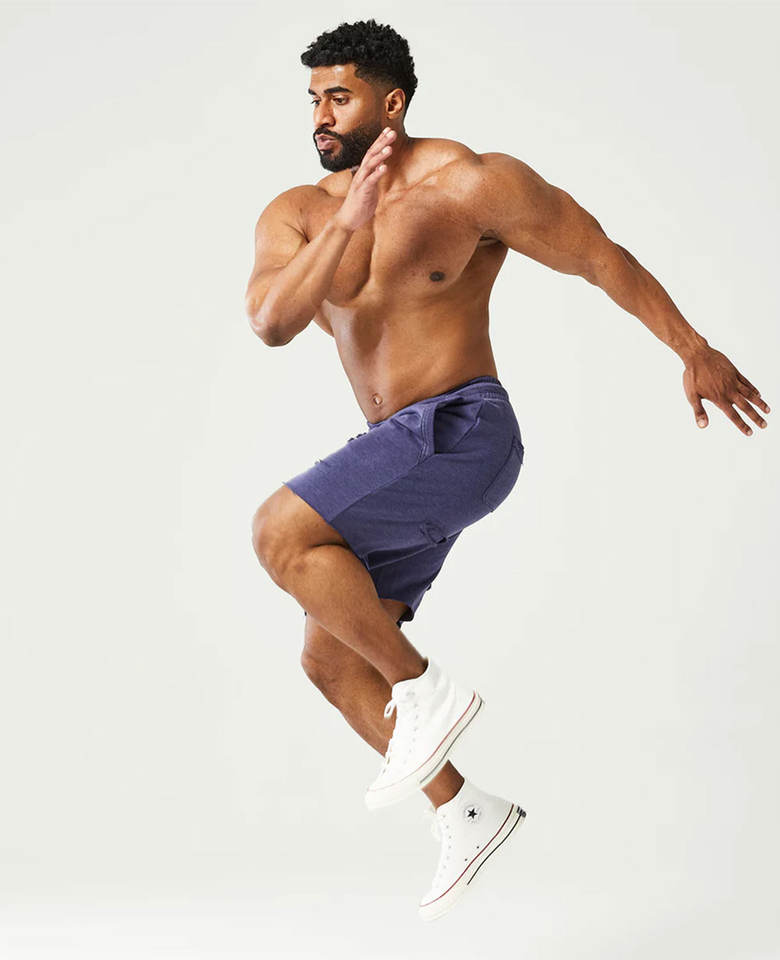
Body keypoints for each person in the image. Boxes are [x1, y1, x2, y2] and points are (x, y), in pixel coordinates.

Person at [245, 19, 770, 921]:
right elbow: (272, 322)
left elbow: (598, 254)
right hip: (399, 453)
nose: (321, 116)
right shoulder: (297, 213)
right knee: (328, 658)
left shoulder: (471, 182)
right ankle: (464, 809)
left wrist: (693, 348)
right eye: (314, 100)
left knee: (278, 532)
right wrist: (351, 220)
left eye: (339, 97)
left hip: (463, 427)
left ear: (391, 103)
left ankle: (423, 688)